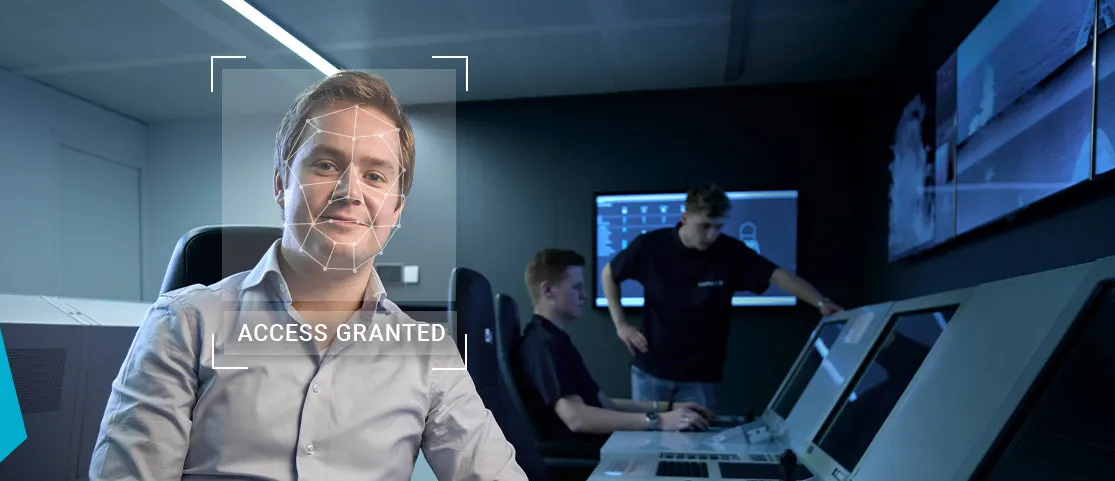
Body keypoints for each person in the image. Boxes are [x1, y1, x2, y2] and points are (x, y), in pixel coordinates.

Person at [88, 71, 526, 480]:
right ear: (280, 182)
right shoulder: (185, 323)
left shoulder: (429, 356)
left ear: (396, 210)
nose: (350, 192)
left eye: (375, 176)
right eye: (325, 165)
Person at [601, 183, 843, 412]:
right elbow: (609, 273)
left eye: (718, 227)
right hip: (651, 371)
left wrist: (821, 302)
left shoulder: (729, 252)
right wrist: (621, 325)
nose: (711, 235)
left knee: (698, 449)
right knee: (646, 445)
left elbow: (777, 275)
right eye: (704, 226)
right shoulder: (650, 246)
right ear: (685, 217)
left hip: (701, 376)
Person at [514, 248, 714, 437]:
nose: (583, 295)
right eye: (576, 287)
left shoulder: (556, 339)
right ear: (547, 290)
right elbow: (576, 418)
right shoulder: (543, 344)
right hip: (588, 458)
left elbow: (604, 403)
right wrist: (659, 421)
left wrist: (669, 408)